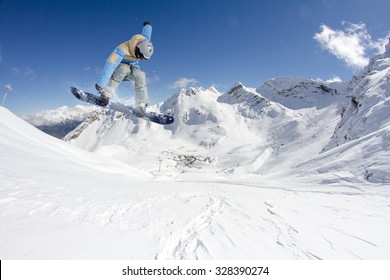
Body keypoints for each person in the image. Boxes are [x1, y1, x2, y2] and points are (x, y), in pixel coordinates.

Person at [95, 21, 154, 117]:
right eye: (141, 57)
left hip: (132, 69)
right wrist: (101, 83)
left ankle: (141, 104)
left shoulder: (144, 41)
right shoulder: (121, 50)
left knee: (141, 75)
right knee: (123, 68)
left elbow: (147, 34)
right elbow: (110, 64)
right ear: (138, 50)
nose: (140, 59)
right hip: (118, 70)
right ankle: (106, 94)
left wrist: (148, 26)